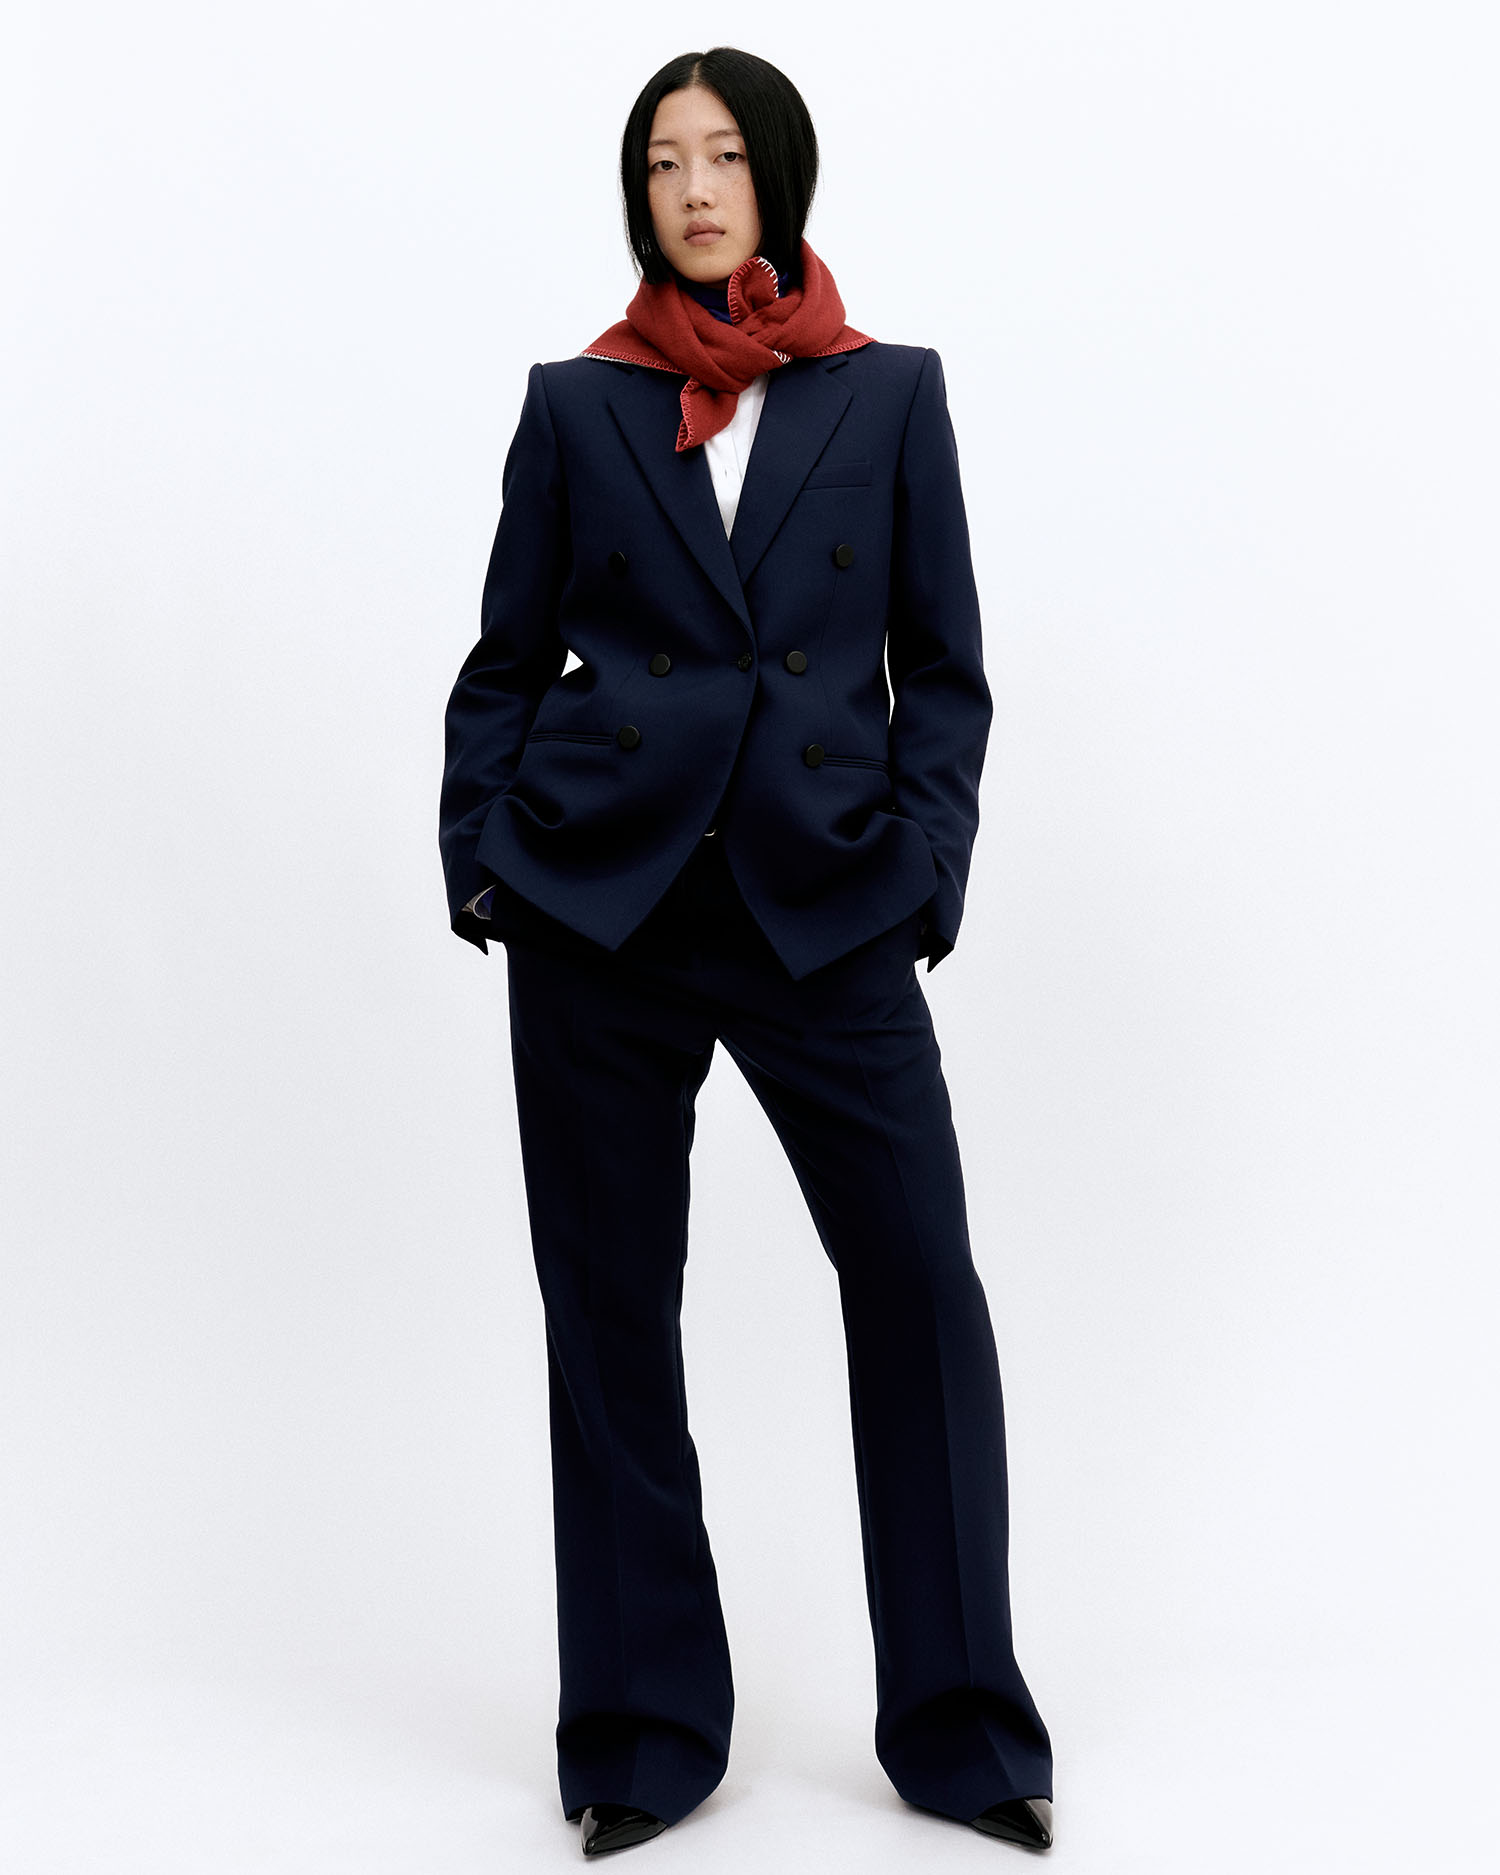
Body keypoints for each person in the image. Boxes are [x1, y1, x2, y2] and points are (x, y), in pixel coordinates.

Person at [438, 45, 1055, 1859]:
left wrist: (923, 872)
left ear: (779, 175)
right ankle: (642, 1736)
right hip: (601, 913)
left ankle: (962, 1728)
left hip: (826, 909)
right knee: (610, 1318)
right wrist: (487, 863)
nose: (694, 189)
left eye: (721, 156)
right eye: (661, 162)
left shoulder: (889, 393)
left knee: (920, 1291)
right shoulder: (579, 404)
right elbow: (505, 661)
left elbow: (943, 670)